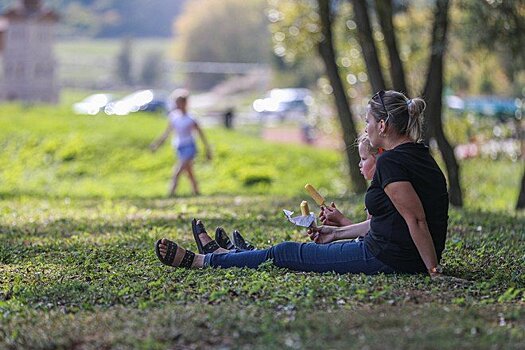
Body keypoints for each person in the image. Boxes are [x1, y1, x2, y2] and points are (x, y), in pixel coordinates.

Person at [155, 90, 448, 277]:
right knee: (290, 252)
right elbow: (391, 221)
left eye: (368, 121)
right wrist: (336, 233)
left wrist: (433, 271)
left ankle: (204, 262)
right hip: (395, 253)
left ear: (382, 126)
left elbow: (417, 219)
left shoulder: (390, 162)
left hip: (387, 258)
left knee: (285, 252)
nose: (366, 127)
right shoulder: (420, 156)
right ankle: (227, 256)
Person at [150, 89, 212, 197]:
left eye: (179, 102)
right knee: (189, 172)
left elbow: (201, 135)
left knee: (178, 170)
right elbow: (167, 133)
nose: (177, 105)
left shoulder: (191, 118)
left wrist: (207, 149)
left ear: (185, 103)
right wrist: (157, 144)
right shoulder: (174, 117)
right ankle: (196, 191)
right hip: (179, 146)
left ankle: (171, 193)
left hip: (189, 146)